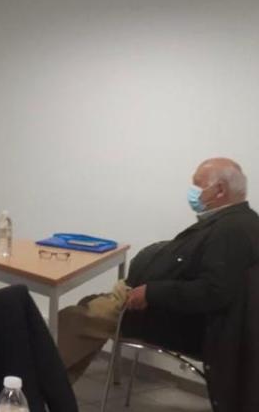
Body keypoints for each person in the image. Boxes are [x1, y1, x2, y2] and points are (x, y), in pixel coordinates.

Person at [58, 157, 259, 385]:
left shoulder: (231, 230)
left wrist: (151, 292)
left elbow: (213, 291)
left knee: (74, 319)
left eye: (197, 184)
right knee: (87, 309)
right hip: (154, 301)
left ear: (220, 190)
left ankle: (39, 389)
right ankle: (56, 386)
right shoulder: (238, 221)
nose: (192, 191)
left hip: (161, 312)